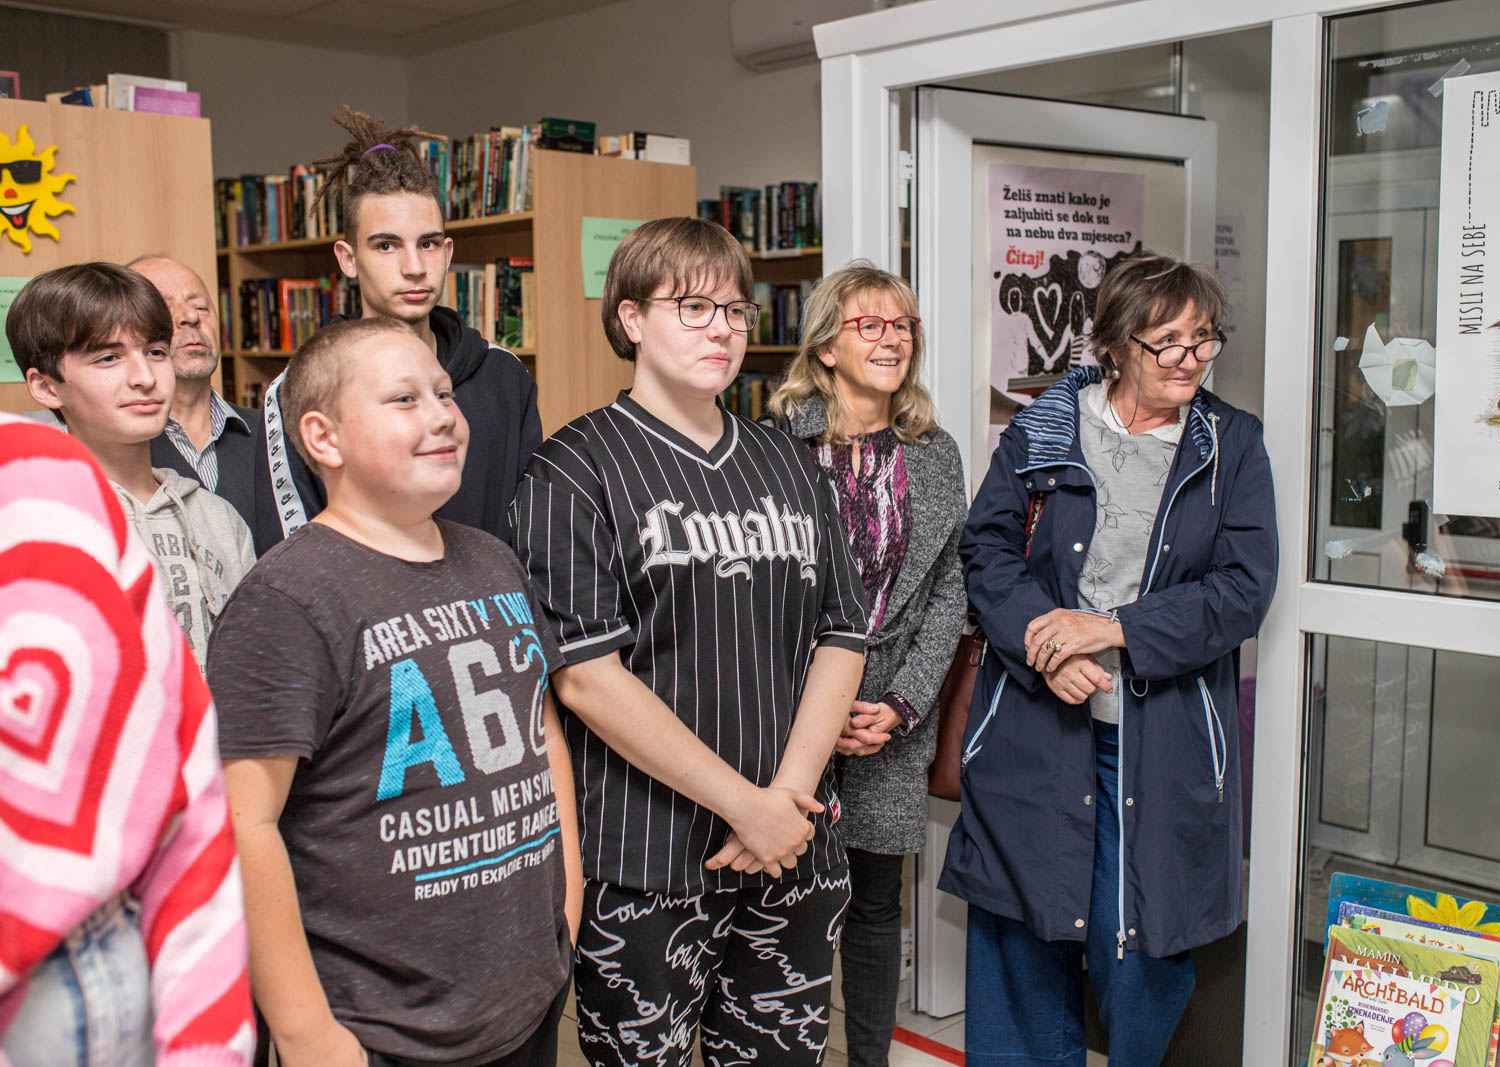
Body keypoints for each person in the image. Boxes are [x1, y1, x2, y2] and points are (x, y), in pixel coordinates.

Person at [510, 217, 869, 1067]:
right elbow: (586, 678)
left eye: (736, 311)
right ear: (631, 318)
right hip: (645, 862)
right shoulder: (571, 469)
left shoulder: (789, 461)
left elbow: (842, 631)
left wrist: (783, 801)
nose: (722, 329)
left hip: (793, 850)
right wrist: (745, 805)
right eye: (693, 307)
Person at [210, 317, 580, 1067]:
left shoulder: (494, 561)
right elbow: (242, 825)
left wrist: (564, 913)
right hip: (380, 1029)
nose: (442, 415)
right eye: (404, 399)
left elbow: (541, 733)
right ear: (325, 438)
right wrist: (306, 1032)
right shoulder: (287, 598)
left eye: (444, 394)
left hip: (524, 998)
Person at [940, 253, 1278, 1066]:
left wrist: (1110, 628)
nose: (1192, 359)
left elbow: (1242, 589)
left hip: (1157, 739)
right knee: (1023, 933)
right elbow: (986, 550)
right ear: (1119, 344)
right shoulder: (1045, 427)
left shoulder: (1230, 443)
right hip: (1036, 723)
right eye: (1170, 342)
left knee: (1140, 954)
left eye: (1205, 339)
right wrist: (1046, 647)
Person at [0, 412, 254, 1067]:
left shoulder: (42, 470)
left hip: (97, 951)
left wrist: (206, 1037)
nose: (142, 377)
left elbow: (181, 750)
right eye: (109, 361)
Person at [765, 260, 967, 1067]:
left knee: (877, 904)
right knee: (788, 901)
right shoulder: (775, 444)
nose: (892, 340)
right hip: (790, 706)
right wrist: (813, 702)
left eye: (902, 325)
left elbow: (950, 589)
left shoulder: (936, 452)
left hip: (890, 713)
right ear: (826, 347)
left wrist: (903, 704)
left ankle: (869, 1060)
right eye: (870, 325)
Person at [254, 107, 541, 551]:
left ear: (447, 253)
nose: (414, 267)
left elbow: (533, 533)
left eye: (427, 244)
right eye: (386, 246)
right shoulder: (299, 389)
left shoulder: (505, 375)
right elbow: (294, 553)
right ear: (348, 259)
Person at [14, 262, 256, 671]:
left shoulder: (218, 518)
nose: (145, 377)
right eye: (108, 358)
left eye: (156, 352)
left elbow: (255, 665)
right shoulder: (32, 524)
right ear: (46, 386)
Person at [130, 254, 264, 540]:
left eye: (201, 307)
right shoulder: (116, 449)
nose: (190, 317)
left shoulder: (272, 432)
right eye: (164, 306)